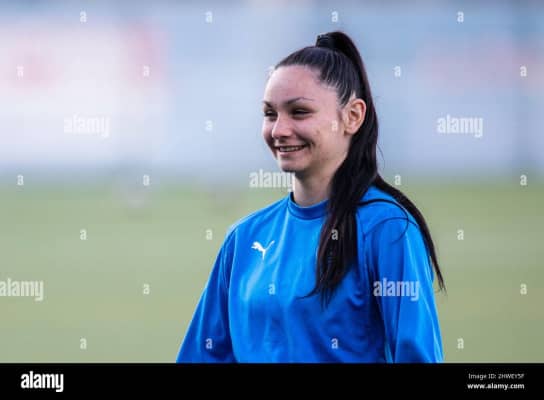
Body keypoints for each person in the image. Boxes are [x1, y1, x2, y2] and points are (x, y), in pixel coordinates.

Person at [176, 31, 445, 363]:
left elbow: (417, 356)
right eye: (270, 114)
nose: (279, 130)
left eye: (299, 112)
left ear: (352, 116)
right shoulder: (244, 238)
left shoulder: (387, 229)